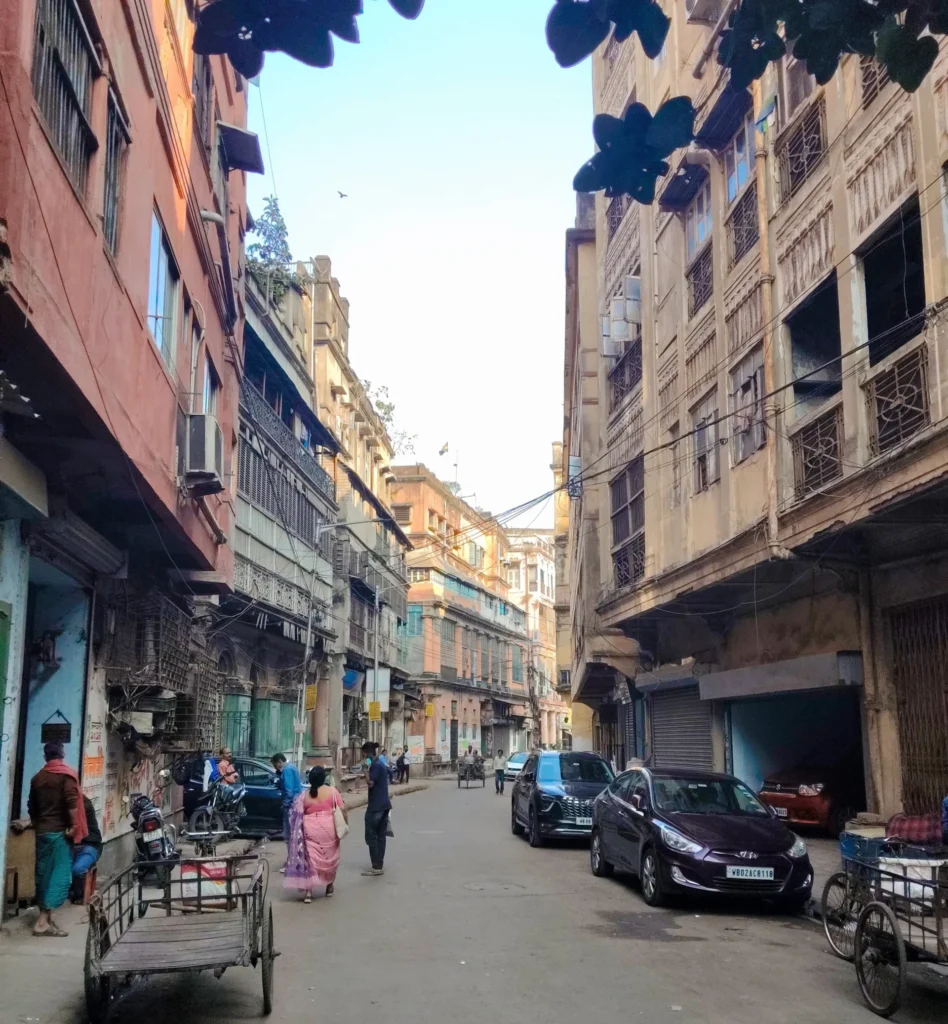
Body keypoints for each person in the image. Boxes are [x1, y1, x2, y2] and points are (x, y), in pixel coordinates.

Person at [27, 742, 88, 936]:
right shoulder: (66, 775)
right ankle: (43, 922)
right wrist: (75, 826)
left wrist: (38, 823)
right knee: (59, 876)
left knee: (43, 874)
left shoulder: (37, 778)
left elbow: (31, 806)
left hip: (42, 832)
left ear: (46, 757)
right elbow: (72, 803)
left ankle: (47, 918)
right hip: (60, 833)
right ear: (62, 754)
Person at [285, 766, 348, 903]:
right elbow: (342, 809)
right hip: (329, 828)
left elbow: (295, 814)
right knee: (332, 855)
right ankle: (330, 886)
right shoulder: (332, 791)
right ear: (323, 778)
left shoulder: (304, 795)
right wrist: (345, 824)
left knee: (310, 860)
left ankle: (308, 893)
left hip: (310, 829)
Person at [361, 741, 390, 876]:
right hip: (383, 805)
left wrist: (365, 770)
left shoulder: (376, 766)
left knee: (372, 836)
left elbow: (370, 783)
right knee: (380, 836)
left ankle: (376, 866)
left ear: (368, 755)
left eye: (364, 756)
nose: (363, 758)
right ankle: (378, 865)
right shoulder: (380, 764)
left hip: (376, 807)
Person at [271, 753, 303, 871]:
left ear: (279, 762)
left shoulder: (287, 770)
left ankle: (292, 862)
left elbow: (289, 791)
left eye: (275, 764)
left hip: (290, 805)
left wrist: (285, 804)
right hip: (296, 804)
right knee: (294, 835)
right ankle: (294, 860)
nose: (275, 767)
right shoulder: (292, 767)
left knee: (289, 835)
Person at [69, 796, 102, 904]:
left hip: (89, 846)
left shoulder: (83, 805)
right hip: (71, 847)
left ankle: (81, 893)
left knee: (78, 869)